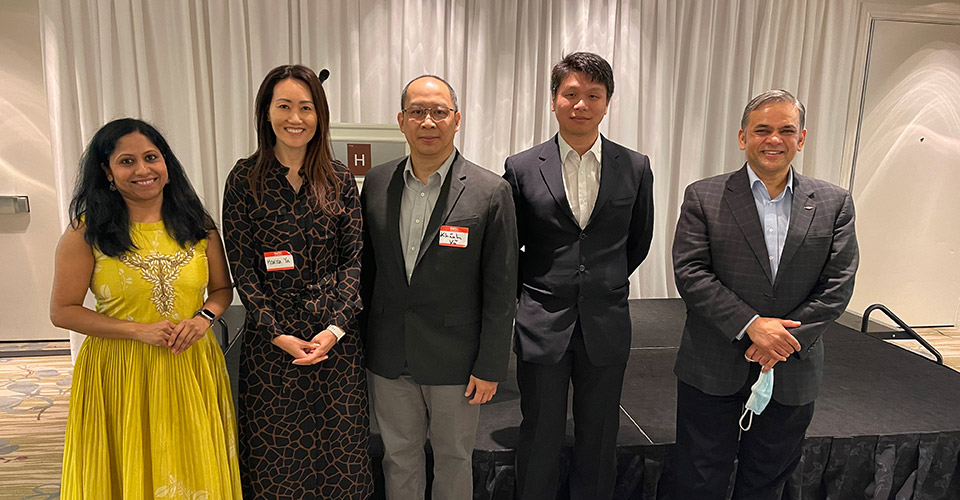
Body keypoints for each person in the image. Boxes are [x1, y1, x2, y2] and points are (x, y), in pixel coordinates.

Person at [672, 89, 859, 499]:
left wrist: (781, 340)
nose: (774, 139)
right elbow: (691, 272)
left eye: (786, 130)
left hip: (793, 368)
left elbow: (838, 283)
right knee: (697, 480)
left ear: (802, 137)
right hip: (712, 366)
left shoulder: (835, 202)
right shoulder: (704, 196)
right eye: (762, 130)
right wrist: (752, 326)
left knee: (768, 482)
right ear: (743, 138)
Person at [51, 118, 241, 499]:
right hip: (120, 370)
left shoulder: (198, 226)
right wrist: (138, 330)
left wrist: (203, 319)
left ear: (167, 165)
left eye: (151, 157)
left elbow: (222, 289)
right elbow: (63, 311)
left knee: (192, 468)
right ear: (107, 172)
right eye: (126, 161)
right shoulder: (86, 232)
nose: (142, 170)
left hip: (190, 365)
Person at [503, 52, 655, 499]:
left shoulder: (635, 166)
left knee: (600, 437)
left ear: (607, 103)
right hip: (542, 322)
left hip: (606, 322)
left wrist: (600, 283)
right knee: (540, 435)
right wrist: (527, 295)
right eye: (571, 94)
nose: (581, 104)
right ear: (553, 100)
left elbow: (639, 241)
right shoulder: (522, 167)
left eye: (594, 95)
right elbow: (509, 247)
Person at [360, 75, 518, 500]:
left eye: (438, 112)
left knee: (453, 460)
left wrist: (490, 366)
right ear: (401, 120)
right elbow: (367, 274)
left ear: (457, 119)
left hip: (457, 361)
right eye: (417, 112)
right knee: (398, 457)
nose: (427, 122)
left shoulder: (490, 191)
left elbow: (503, 290)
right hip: (390, 356)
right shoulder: (376, 184)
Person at [221, 64, 371, 499]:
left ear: (319, 115)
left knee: (340, 458)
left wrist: (334, 328)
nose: (295, 117)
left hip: (335, 345)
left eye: (306, 107)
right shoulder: (244, 180)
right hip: (272, 350)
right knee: (276, 461)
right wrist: (278, 333)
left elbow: (354, 261)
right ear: (266, 114)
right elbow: (242, 270)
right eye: (284, 106)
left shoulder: (339, 178)